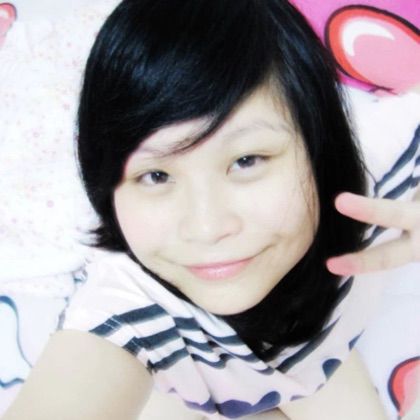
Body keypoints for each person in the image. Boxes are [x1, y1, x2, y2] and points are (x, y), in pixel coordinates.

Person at [3, 0, 419, 419]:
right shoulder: (129, 311)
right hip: (186, 384)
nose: (207, 228)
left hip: (313, 349)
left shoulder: (376, 184)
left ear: (320, 145)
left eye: (246, 161)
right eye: (156, 176)